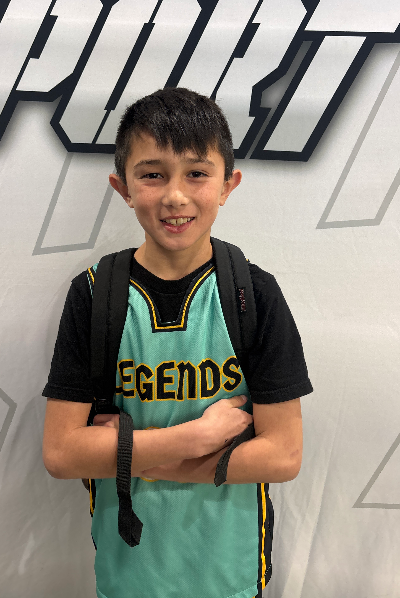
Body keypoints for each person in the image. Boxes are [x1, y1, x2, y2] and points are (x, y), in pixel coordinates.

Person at [42, 87, 313, 598]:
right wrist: (194, 438)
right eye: (152, 174)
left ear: (228, 184)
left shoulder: (253, 294)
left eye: (196, 173)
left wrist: (143, 459)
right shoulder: (95, 294)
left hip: (231, 576)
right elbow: (61, 453)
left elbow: (283, 455)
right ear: (122, 187)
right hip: (128, 576)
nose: (175, 196)